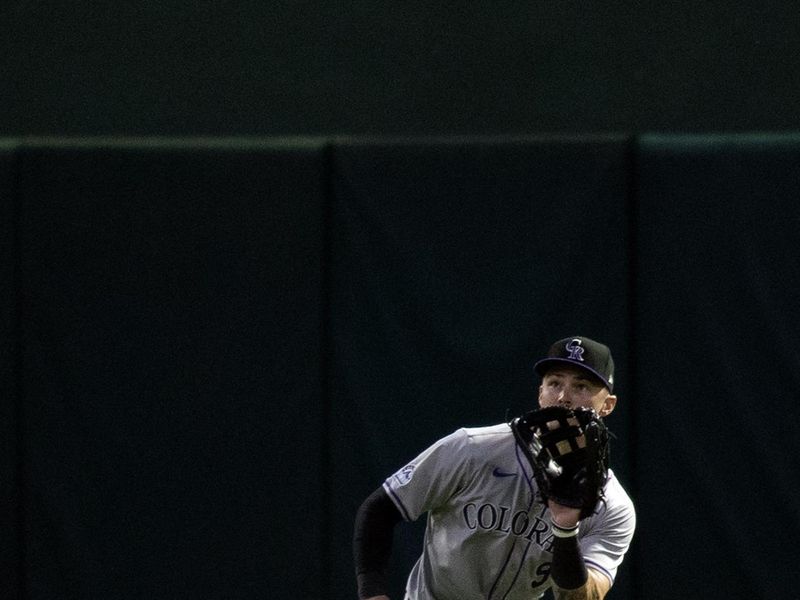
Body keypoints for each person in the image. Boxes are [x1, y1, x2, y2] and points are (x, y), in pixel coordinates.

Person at [353, 336, 635, 600]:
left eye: (581, 386)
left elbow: (585, 596)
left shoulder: (612, 504)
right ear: (540, 393)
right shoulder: (473, 448)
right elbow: (380, 508)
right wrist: (372, 593)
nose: (564, 397)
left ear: (607, 405)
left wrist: (565, 528)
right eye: (554, 383)